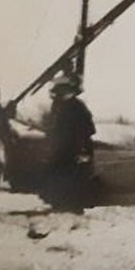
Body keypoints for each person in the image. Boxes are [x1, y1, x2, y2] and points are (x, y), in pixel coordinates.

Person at [42, 75, 96, 215]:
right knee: (60, 175)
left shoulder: (76, 107)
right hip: (62, 149)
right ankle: (61, 204)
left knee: (73, 177)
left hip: (74, 149)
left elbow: (87, 129)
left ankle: (73, 206)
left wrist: (83, 150)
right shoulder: (61, 106)